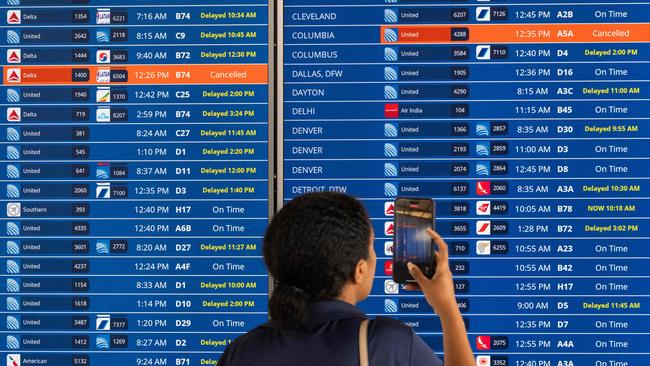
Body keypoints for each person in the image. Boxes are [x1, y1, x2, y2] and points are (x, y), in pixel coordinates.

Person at [219, 192, 474, 365]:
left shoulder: (241, 351)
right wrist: (447, 307)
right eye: (373, 247)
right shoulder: (386, 344)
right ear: (359, 269)